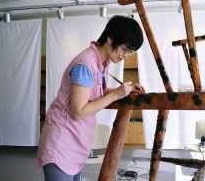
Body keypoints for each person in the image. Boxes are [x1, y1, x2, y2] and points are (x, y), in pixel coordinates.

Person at [37, 15, 145, 181]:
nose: (126, 55)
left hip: (74, 141)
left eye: (130, 52)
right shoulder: (85, 64)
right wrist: (116, 94)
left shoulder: (99, 62)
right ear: (110, 39)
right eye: (125, 49)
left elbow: (94, 93)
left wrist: (123, 91)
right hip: (62, 142)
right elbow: (78, 112)